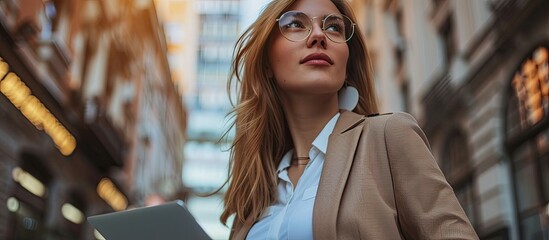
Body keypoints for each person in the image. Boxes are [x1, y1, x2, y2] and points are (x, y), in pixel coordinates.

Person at [221, 0, 479, 239]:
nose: (319, 36)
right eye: (296, 24)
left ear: (346, 63)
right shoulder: (256, 191)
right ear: (267, 63)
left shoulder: (388, 136)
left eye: (333, 27)